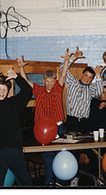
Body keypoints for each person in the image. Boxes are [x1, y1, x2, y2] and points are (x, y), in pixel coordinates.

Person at [16, 48, 72, 186]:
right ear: (43, 80)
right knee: (48, 156)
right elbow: (25, 80)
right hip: (43, 129)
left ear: (54, 81)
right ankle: (49, 181)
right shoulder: (38, 90)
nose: (49, 83)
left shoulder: (58, 88)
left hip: (58, 126)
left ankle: (62, 180)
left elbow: (63, 74)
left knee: (61, 153)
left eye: (52, 81)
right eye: (47, 81)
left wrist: (66, 60)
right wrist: (21, 68)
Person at [60, 46, 104, 186]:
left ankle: (97, 176)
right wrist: (73, 58)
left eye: (90, 77)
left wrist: (98, 75)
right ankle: (74, 178)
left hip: (86, 123)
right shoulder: (72, 82)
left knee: (92, 151)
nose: (87, 79)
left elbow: (99, 92)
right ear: (82, 74)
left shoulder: (91, 88)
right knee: (74, 152)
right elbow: (63, 69)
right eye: (86, 75)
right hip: (72, 122)